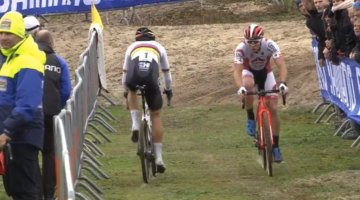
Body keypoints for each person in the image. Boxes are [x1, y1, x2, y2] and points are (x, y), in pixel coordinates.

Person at [0, 11, 46, 199]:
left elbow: (27, 104)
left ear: (20, 34)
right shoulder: (10, 59)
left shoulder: (27, 60)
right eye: (1, 33)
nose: (3, 37)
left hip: (21, 136)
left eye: (8, 33)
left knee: (25, 191)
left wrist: (7, 132)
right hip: (12, 137)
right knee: (16, 188)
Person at [233, 24, 288, 162]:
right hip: (249, 72)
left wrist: (283, 83)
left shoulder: (270, 44)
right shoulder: (240, 48)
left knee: (273, 108)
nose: (252, 45)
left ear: (261, 39)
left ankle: (275, 146)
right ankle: (251, 117)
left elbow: (281, 65)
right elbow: (237, 71)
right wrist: (241, 88)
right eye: (249, 42)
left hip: (266, 73)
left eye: (255, 42)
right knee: (248, 85)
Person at [122, 27, 173, 173]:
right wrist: (168, 90)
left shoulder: (131, 47)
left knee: (132, 90)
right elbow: (167, 75)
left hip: (134, 77)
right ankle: (159, 158)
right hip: (151, 80)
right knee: (155, 114)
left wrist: (126, 92)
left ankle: (135, 124)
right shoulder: (159, 47)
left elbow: (125, 75)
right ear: (152, 38)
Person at [35, 30, 71, 200]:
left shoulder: (29, 58)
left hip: (31, 112)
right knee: (49, 153)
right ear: (52, 43)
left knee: (31, 153)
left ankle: (34, 192)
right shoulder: (59, 61)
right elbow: (66, 90)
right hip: (51, 112)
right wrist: (59, 106)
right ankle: (48, 193)